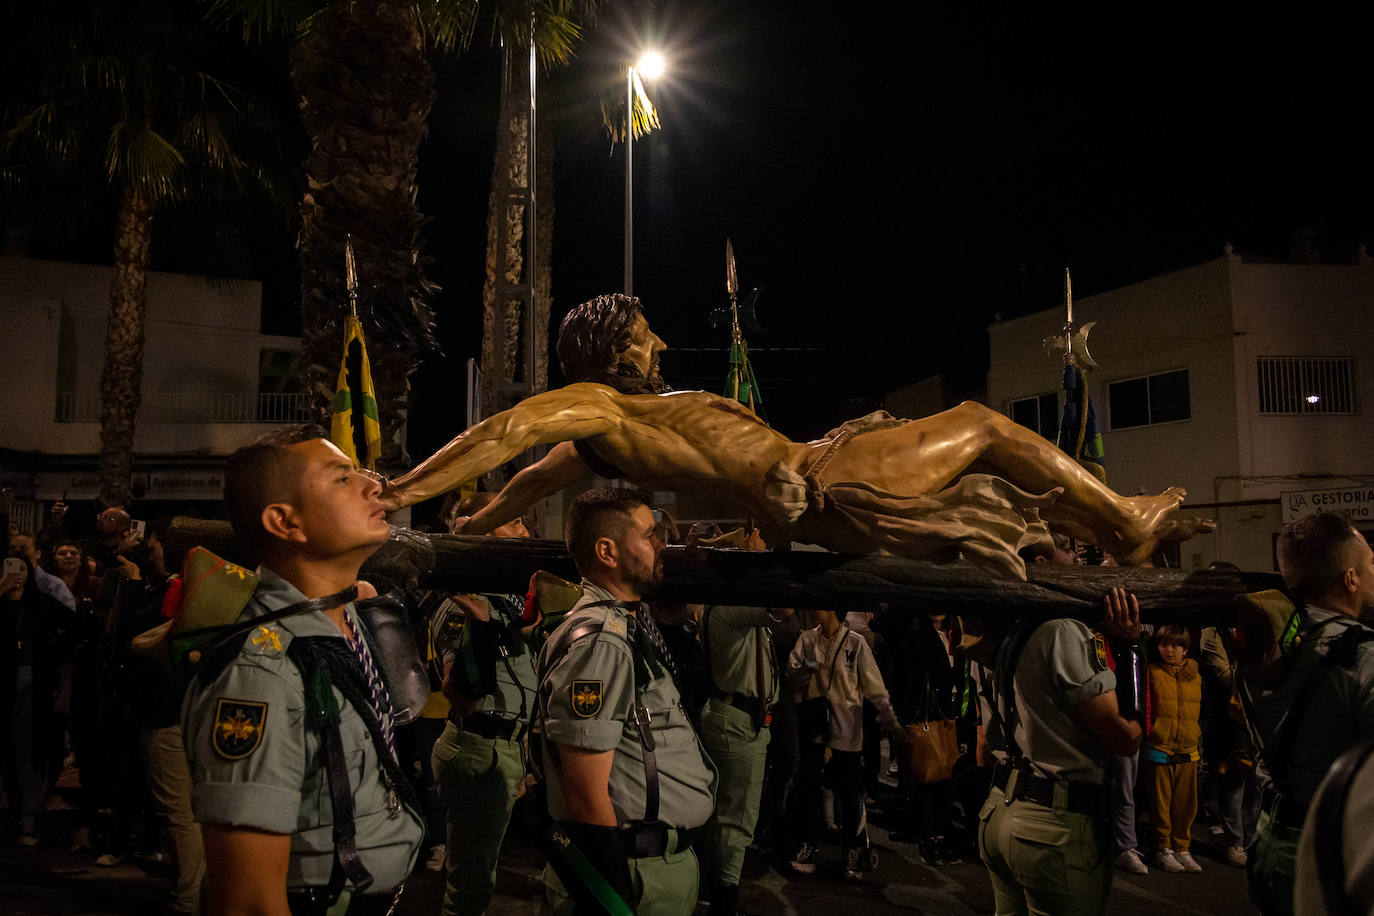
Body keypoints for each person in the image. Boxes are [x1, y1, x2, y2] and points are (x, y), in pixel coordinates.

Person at [383, 295, 1211, 575]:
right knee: (980, 423)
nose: (660, 343)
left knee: (985, 468)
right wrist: (401, 493)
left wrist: (473, 526)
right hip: (820, 478)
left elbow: (529, 479)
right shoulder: (602, 409)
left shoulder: (609, 435)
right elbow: (509, 432)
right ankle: (1123, 522)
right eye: (645, 333)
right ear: (608, 350)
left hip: (818, 465)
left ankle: (1112, 523)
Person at [181, 426, 424, 915]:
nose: (374, 485)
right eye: (341, 479)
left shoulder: (344, 621)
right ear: (285, 522)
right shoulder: (261, 674)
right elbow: (247, 900)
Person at [535, 488, 716, 916]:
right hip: (635, 877)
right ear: (608, 551)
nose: (660, 546)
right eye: (649, 535)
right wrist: (610, 898)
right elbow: (583, 793)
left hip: (652, 868)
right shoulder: (601, 640)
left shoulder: (624, 624)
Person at [971, 587, 1147, 916]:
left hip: (999, 808)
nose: (1080, 562)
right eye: (1069, 551)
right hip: (1052, 825)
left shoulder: (993, 636)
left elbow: (985, 743)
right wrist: (1131, 647)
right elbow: (1126, 738)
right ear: (1041, 561)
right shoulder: (1062, 631)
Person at [1244, 514, 1374, 916]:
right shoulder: (1363, 655)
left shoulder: (1262, 648)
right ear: (1350, 578)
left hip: (1268, 843)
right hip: (1331, 852)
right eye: (1371, 562)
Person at [429, 492, 538, 916]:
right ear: (479, 527)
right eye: (513, 522)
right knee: (469, 886)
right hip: (480, 748)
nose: (525, 531)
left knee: (481, 872)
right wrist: (481, 628)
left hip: (503, 747)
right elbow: (459, 692)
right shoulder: (463, 606)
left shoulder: (506, 603)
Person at [698, 567, 792, 913]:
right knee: (736, 817)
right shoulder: (727, 608)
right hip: (738, 720)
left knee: (725, 813)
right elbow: (783, 607)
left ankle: (714, 890)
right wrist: (762, 562)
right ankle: (725, 901)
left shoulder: (730, 610)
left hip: (739, 717)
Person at [787, 608, 905, 881]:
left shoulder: (855, 642)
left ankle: (852, 850)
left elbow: (873, 685)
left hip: (847, 730)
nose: (811, 609)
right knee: (809, 789)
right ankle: (809, 844)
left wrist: (889, 718)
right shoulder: (807, 639)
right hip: (815, 727)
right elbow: (791, 675)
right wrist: (808, 668)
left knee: (850, 793)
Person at [1143, 624, 1203, 873]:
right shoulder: (1152, 672)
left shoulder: (1195, 675)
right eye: (1164, 644)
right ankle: (1163, 848)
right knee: (1160, 804)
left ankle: (1182, 847)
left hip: (1188, 748)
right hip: (1160, 747)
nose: (1169, 650)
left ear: (1186, 650)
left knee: (1185, 804)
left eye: (1176, 645)